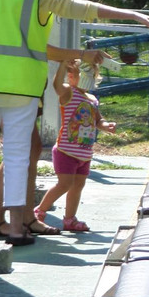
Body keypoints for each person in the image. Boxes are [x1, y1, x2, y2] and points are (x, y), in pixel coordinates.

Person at [0, 0, 149, 246]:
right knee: (17, 155)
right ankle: (15, 227)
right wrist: (131, 15)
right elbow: (83, 10)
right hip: (21, 85)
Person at [0, 0, 98, 241]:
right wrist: (80, 54)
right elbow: (42, 49)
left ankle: (10, 218)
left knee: (29, 150)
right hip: (11, 83)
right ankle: (9, 219)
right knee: (23, 150)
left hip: (24, 84)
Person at [32, 59, 113, 232]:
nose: (75, 77)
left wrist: (106, 125)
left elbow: (98, 120)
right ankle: (39, 212)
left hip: (84, 153)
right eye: (72, 74)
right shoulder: (69, 92)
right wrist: (62, 65)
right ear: (69, 77)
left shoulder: (92, 99)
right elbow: (57, 86)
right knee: (64, 184)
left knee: (78, 186)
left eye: (89, 74)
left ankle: (69, 219)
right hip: (66, 151)